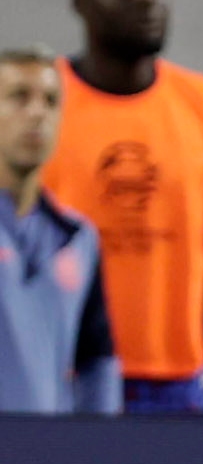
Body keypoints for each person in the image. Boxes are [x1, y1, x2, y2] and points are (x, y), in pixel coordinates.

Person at [41, 0, 203, 417]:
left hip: (181, 386)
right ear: (80, 2)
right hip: (66, 377)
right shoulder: (40, 107)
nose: (148, 0)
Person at [0, 51, 118, 417]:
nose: (37, 113)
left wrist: (101, 444)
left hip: (47, 450)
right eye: (19, 97)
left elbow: (96, 360)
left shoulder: (79, 238)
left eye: (50, 101)